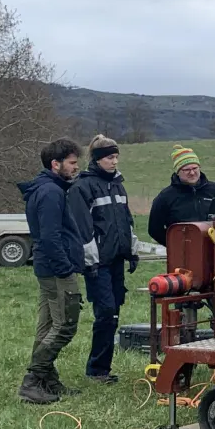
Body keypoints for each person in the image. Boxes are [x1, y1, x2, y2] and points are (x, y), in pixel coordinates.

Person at [17, 138, 92, 404]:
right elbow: (50, 237)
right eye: (72, 163)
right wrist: (64, 269)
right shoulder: (50, 193)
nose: (76, 167)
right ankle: (32, 381)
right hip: (56, 270)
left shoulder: (50, 188)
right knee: (65, 325)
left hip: (48, 268)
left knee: (48, 325)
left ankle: (47, 381)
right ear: (55, 164)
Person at [69, 135, 138, 385]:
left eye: (116, 156)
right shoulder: (82, 187)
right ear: (98, 159)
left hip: (117, 259)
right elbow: (82, 228)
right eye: (110, 157)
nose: (115, 161)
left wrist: (132, 251)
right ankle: (96, 369)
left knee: (114, 312)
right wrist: (91, 262)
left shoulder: (118, 185)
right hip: (97, 263)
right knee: (105, 312)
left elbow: (126, 221)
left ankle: (103, 369)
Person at [147, 144, 215, 247]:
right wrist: (175, 245)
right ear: (178, 172)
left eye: (195, 168)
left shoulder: (214, 190)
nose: (192, 173)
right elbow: (154, 230)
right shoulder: (165, 197)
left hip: (214, 248)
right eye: (187, 170)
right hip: (184, 255)